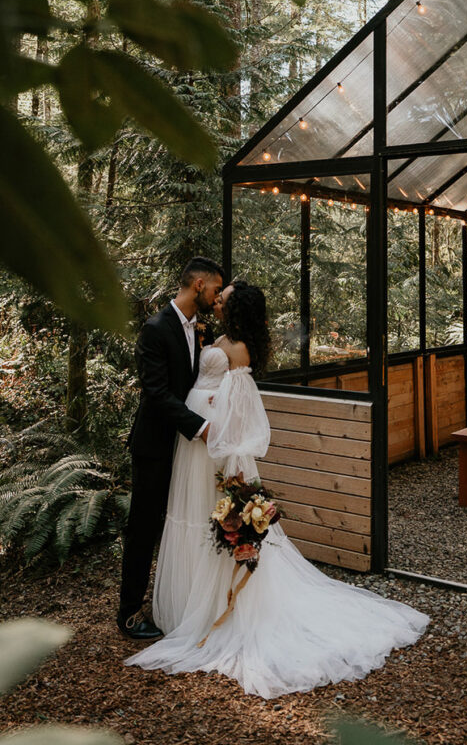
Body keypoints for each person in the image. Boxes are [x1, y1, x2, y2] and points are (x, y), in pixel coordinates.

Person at [124, 280, 429, 698]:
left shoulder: (238, 349)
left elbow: (242, 412)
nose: (217, 300)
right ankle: (185, 607)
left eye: (224, 298)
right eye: (218, 294)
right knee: (188, 518)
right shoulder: (218, 338)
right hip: (191, 445)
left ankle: (212, 610)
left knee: (205, 521)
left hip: (210, 449)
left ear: (235, 309)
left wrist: (228, 455)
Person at [117, 257, 225, 640]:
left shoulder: (200, 329)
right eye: (214, 290)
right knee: (144, 526)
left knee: (176, 521)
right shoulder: (155, 329)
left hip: (185, 446)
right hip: (155, 445)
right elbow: (157, 392)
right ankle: (128, 613)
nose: (216, 299)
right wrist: (201, 426)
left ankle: (174, 599)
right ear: (197, 285)